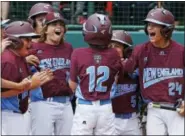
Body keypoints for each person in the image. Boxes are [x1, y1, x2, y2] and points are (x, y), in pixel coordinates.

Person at [122, 8, 184, 135]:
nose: (150, 28)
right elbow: (125, 69)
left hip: (178, 109)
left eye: (155, 25)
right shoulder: (141, 50)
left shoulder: (181, 51)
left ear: (167, 30)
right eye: (149, 25)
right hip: (153, 110)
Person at [69, 13, 123, 135]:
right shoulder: (114, 53)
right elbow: (116, 79)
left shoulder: (78, 53)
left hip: (85, 106)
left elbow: (72, 85)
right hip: (106, 107)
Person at [1, 21, 53, 135]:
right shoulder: (7, 60)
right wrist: (30, 85)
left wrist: (39, 78)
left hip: (19, 113)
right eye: (27, 40)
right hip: (8, 116)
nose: (30, 44)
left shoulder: (21, 57)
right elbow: (1, 94)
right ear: (15, 41)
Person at [29, 12, 73, 135]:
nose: (58, 27)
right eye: (54, 24)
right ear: (46, 29)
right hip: (42, 103)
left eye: (61, 24)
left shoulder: (68, 48)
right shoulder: (34, 47)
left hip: (65, 103)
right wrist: (25, 60)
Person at [109, 30, 142, 135]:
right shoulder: (102, 68)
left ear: (126, 50)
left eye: (117, 46)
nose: (113, 49)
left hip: (132, 119)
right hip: (110, 119)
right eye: (110, 46)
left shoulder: (134, 68)